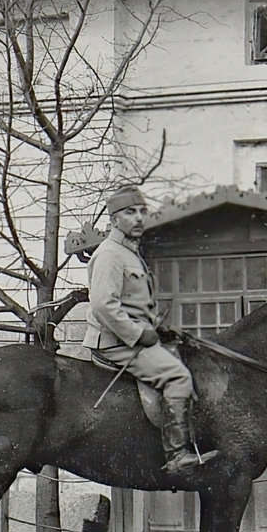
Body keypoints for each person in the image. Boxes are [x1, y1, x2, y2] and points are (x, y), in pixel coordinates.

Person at [82, 186, 218, 473]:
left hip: (131, 335)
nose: (139, 217)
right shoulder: (110, 254)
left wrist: (157, 328)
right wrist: (137, 334)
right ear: (113, 221)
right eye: (130, 213)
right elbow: (103, 306)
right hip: (115, 341)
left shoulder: (129, 253)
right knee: (178, 376)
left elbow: (133, 304)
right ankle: (177, 455)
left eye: (142, 211)